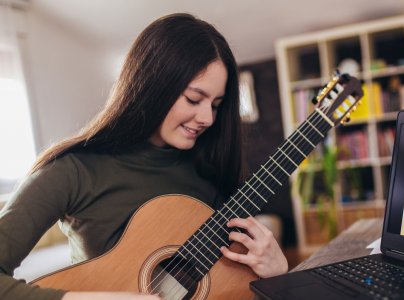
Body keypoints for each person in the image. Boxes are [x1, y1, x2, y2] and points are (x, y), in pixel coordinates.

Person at [0, 13, 288, 300]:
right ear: (154, 86)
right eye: (193, 99)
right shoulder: (71, 171)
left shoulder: (208, 169)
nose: (207, 118)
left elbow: (229, 288)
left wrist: (275, 275)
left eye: (216, 104)